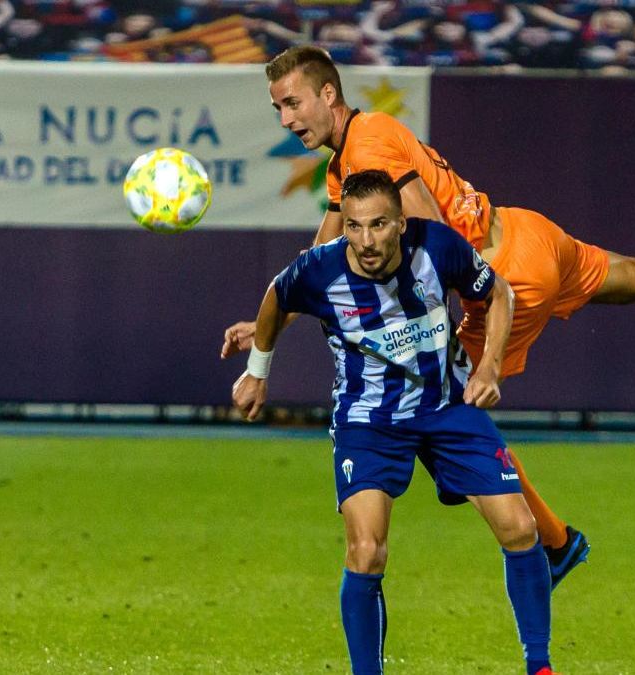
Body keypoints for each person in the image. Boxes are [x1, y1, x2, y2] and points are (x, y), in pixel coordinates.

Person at [222, 44, 635, 587]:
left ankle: (556, 545)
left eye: (292, 103)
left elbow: (428, 225)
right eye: (278, 108)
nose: (286, 119)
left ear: (328, 93)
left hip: (505, 277)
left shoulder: (369, 145)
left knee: (447, 412)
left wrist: (435, 319)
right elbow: (319, 262)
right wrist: (274, 322)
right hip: (526, 230)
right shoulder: (347, 162)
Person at [232, 169, 555, 675]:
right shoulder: (319, 270)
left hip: (446, 406)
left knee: (519, 527)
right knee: (366, 550)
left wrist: (490, 364)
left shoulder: (437, 248)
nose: (365, 240)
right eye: (355, 226)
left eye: (378, 225)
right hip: (368, 421)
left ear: (401, 223)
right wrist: (257, 373)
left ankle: (540, 667)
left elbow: (499, 294)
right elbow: (277, 296)